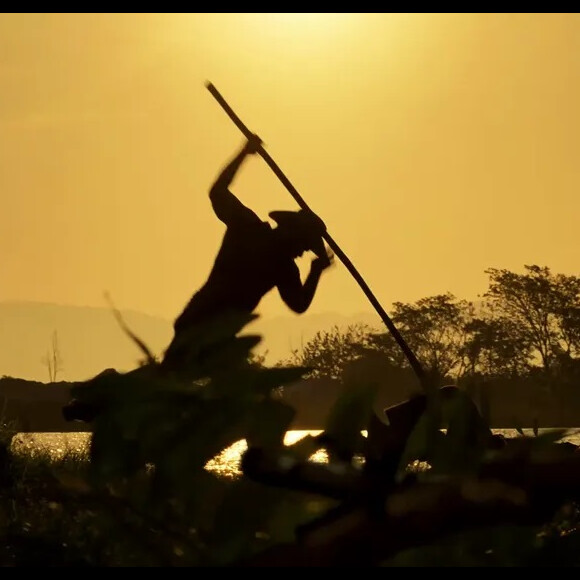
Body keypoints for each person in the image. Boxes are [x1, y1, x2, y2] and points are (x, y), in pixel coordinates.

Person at [161, 134, 334, 371]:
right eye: (303, 244)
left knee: (175, 378)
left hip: (216, 334)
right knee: (173, 379)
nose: (302, 253)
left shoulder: (278, 261)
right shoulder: (251, 232)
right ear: (291, 231)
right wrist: (243, 153)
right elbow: (218, 193)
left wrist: (315, 272)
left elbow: (298, 304)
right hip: (203, 324)